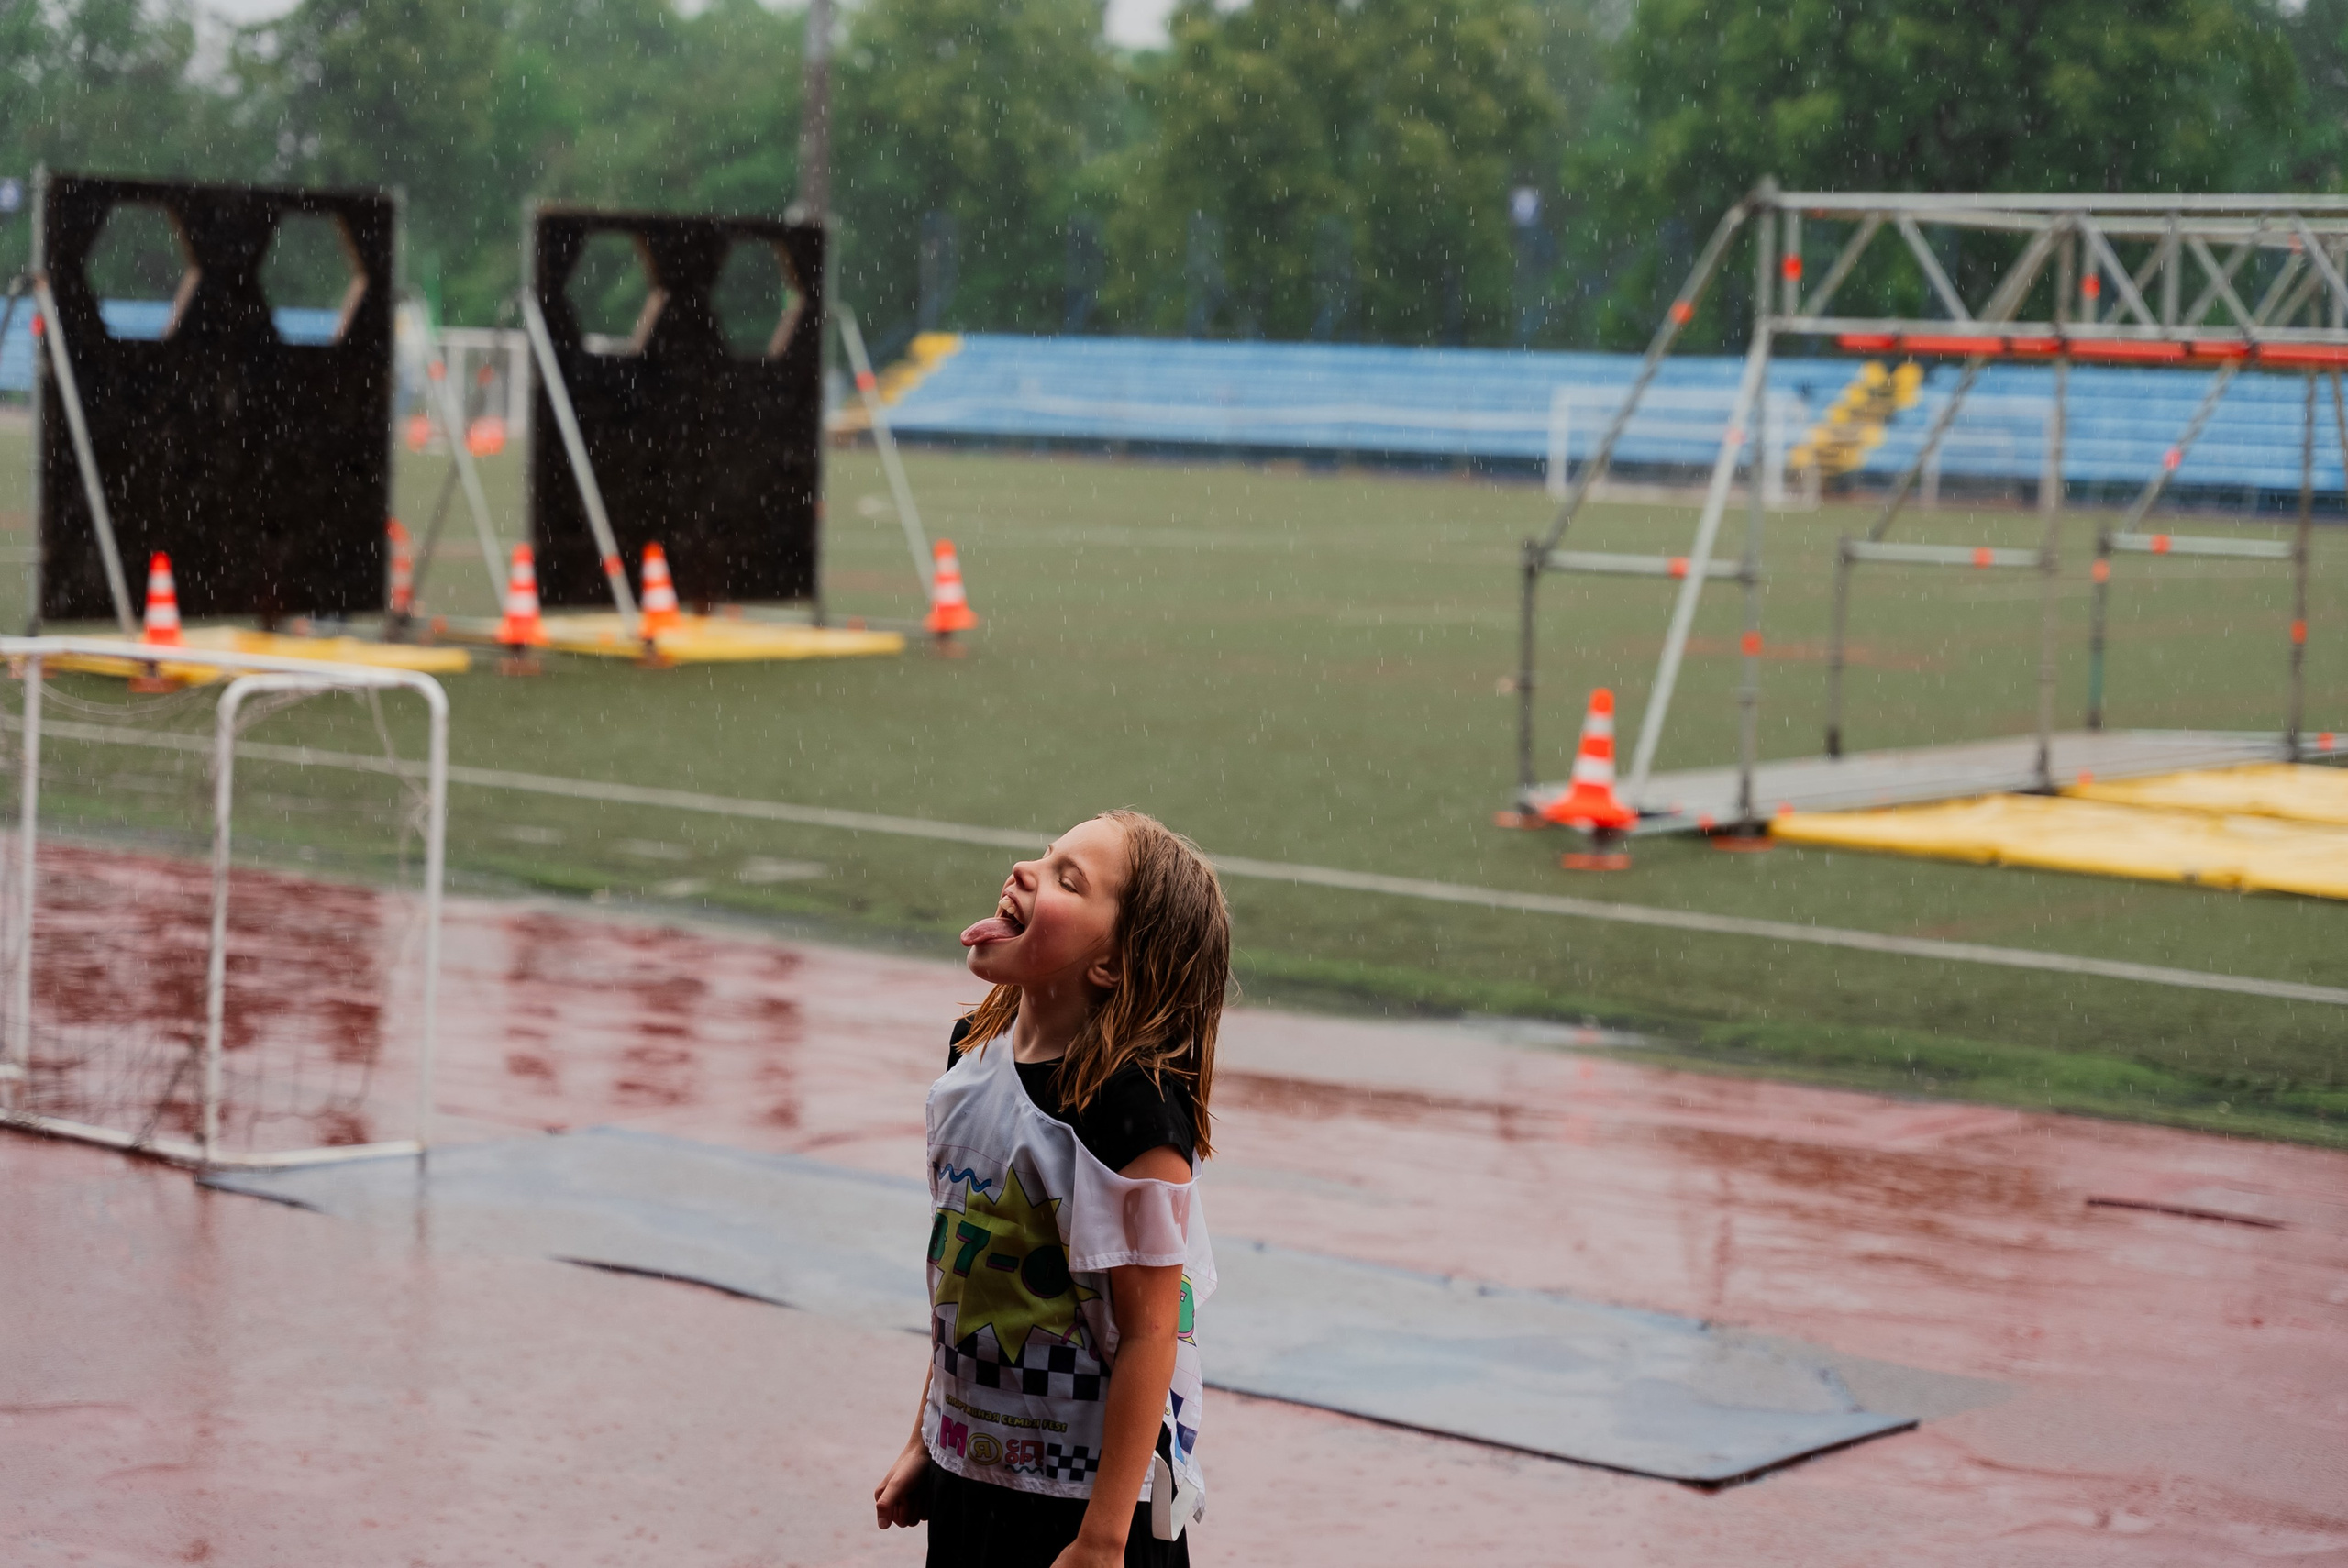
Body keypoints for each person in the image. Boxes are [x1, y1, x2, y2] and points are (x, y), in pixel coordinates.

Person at [874, 809, 1226, 1568]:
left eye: (1069, 880)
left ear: (1112, 965)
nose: (1025, 871)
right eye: (1044, 855)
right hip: (973, 1478)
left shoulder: (1132, 1115)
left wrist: (1103, 1538)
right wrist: (927, 1442)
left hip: (1084, 1508)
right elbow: (969, 1289)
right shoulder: (972, 1057)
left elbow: (1151, 1334)